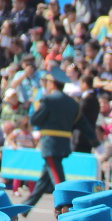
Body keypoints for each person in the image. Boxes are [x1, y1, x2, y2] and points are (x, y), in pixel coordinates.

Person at [25, 68, 92, 209]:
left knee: (58, 181)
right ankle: (26, 206)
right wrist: (97, 143)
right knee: (44, 179)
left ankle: (67, 208)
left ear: (53, 84)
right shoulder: (72, 103)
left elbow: (35, 120)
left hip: (50, 144)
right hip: (63, 144)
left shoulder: (48, 100)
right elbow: (82, 123)